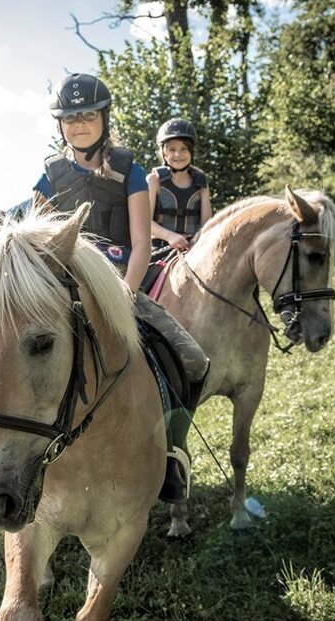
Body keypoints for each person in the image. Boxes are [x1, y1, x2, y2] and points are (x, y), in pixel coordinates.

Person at [32, 73, 209, 504]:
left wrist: (125, 298)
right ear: (60, 125)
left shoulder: (129, 172)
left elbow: (142, 244)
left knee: (192, 359)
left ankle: (169, 451)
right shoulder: (48, 178)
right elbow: (37, 241)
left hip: (120, 288)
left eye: (87, 116)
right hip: (64, 294)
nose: (78, 125)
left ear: (104, 119)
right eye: (69, 118)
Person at [148, 118, 212, 252]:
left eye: (184, 149)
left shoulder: (201, 181)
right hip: (160, 246)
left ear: (191, 152)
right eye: (172, 149)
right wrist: (170, 236)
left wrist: (195, 241)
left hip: (193, 246)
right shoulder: (154, 180)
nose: (178, 154)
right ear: (164, 153)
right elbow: (143, 221)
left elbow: (207, 223)